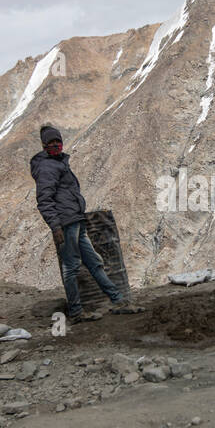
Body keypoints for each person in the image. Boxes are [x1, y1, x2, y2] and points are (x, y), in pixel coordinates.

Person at [31, 125, 140, 322]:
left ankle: (118, 301)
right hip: (66, 223)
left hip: (76, 220)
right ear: (44, 145)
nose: (56, 145)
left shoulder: (59, 163)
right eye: (51, 143)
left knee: (94, 262)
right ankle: (76, 312)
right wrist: (55, 227)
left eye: (58, 141)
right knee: (71, 267)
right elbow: (44, 200)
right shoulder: (47, 167)